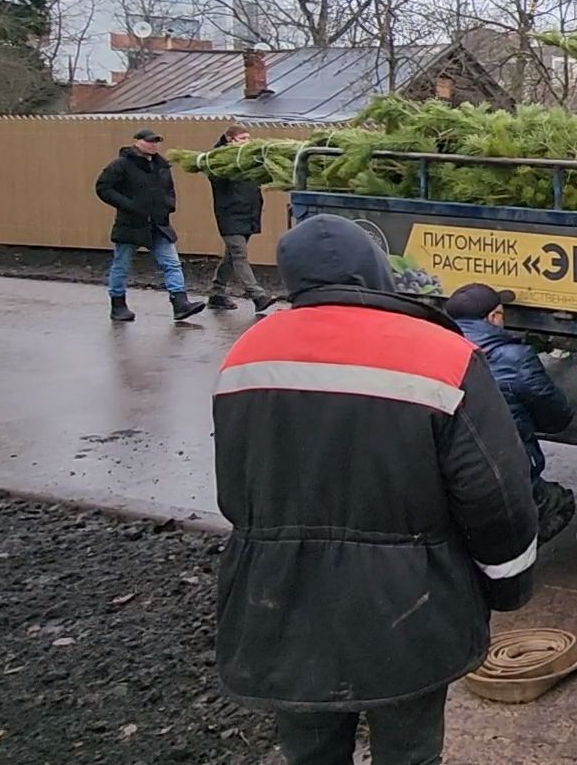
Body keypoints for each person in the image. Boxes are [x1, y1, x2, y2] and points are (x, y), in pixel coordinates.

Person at [213, 214, 539, 765]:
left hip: (281, 606)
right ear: (375, 272)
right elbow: (495, 497)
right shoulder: (443, 355)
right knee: (408, 753)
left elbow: (235, 490)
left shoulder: (246, 354)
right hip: (410, 612)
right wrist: (508, 586)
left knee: (309, 752)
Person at [445, 282, 577, 542]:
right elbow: (558, 418)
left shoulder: (434, 351)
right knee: (559, 504)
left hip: (450, 476)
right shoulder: (516, 358)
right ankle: (519, 555)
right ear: (494, 317)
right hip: (504, 479)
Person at [94, 128, 205, 322]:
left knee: (171, 263)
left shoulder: (161, 165)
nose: (153, 145)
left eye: (156, 141)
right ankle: (118, 305)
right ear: (137, 142)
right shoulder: (121, 165)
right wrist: (129, 205)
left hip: (158, 224)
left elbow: (169, 190)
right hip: (131, 224)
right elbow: (103, 188)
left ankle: (180, 303)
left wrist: (168, 205)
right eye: (149, 141)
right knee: (122, 265)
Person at [205, 124, 280, 314]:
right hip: (230, 214)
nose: (247, 142)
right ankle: (257, 296)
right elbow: (217, 178)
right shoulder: (219, 160)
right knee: (239, 254)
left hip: (248, 213)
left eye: (248, 138)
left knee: (231, 256)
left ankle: (216, 293)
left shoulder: (248, 159)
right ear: (229, 140)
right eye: (242, 138)